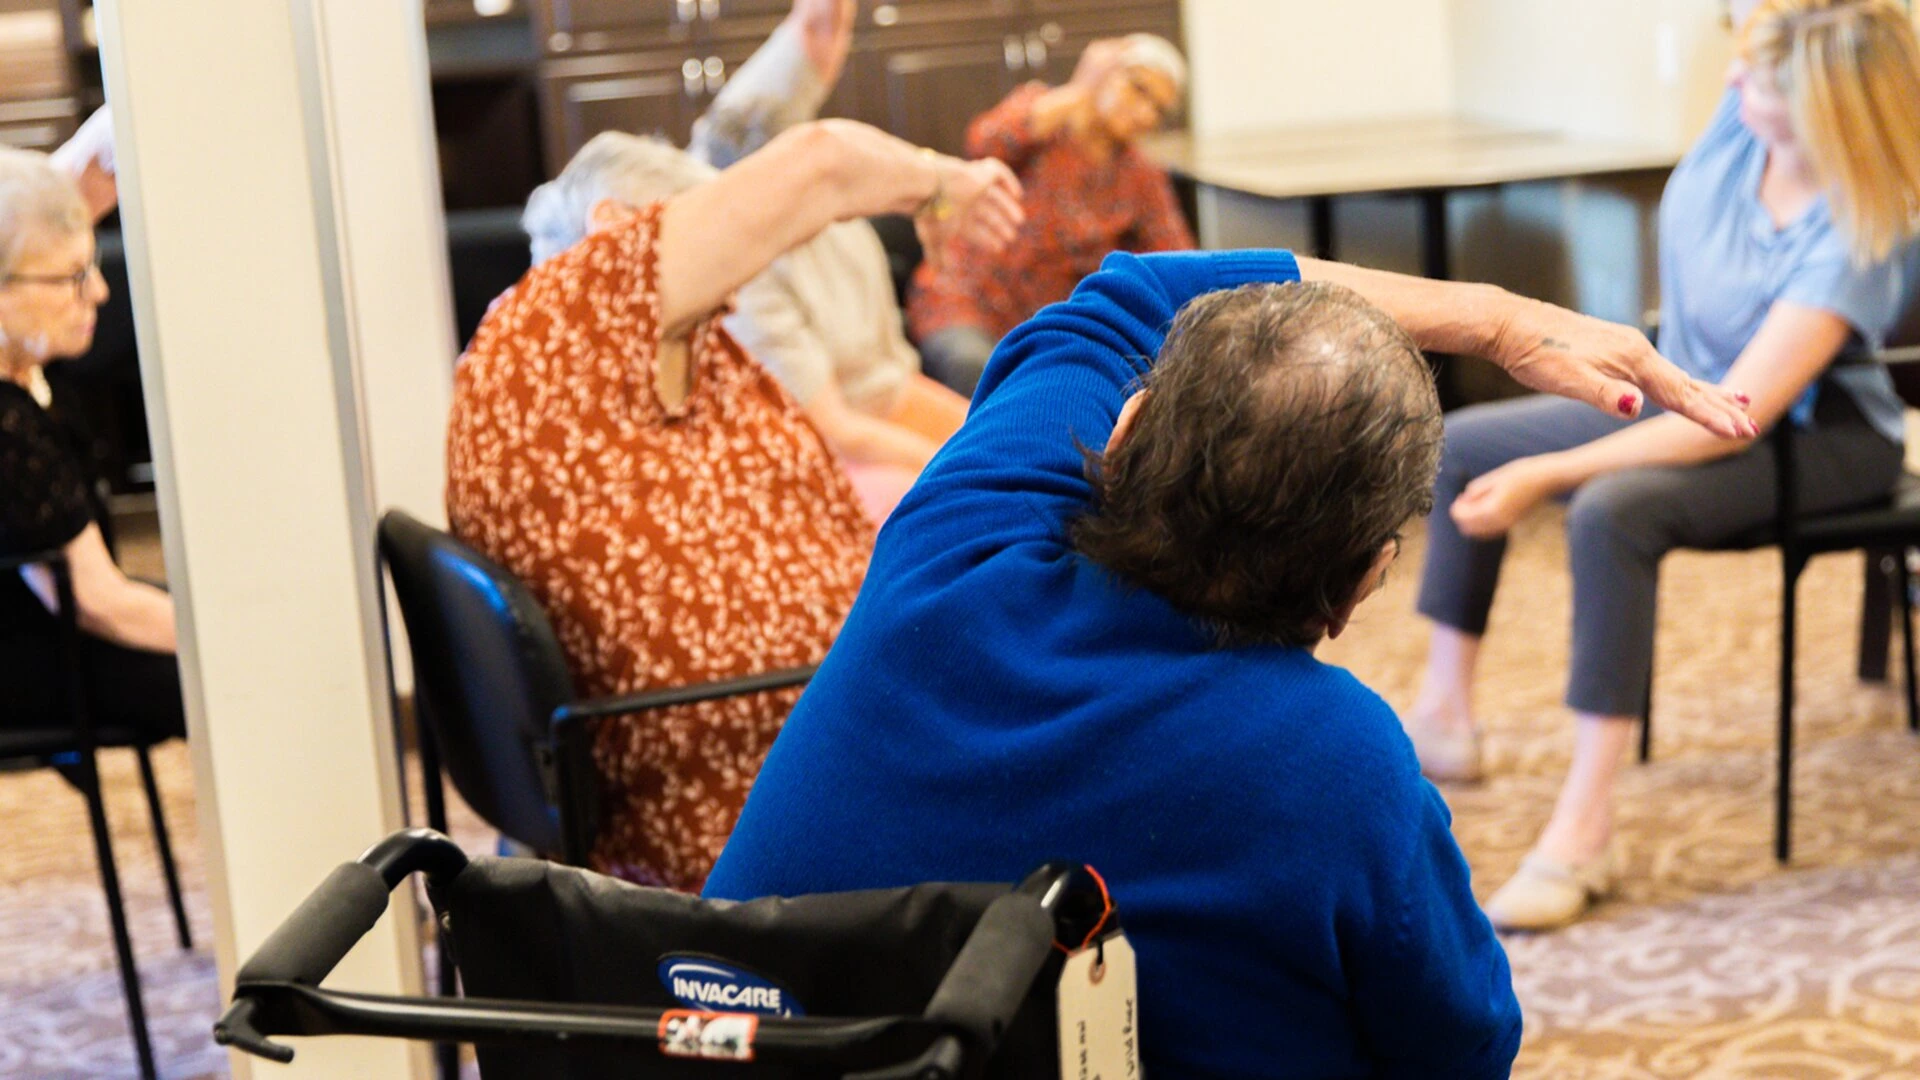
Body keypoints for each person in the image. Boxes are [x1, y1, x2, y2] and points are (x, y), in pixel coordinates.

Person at [703, 242, 1751, 1075]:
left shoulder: (955, 542)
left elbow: (1131, 294)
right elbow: (1467, 1047)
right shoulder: (1333, 758)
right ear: (1359, 587)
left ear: (1122, 433)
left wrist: (1496, 317)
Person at [1406, 0, 1920, 931]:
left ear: (1826, 111)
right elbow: (1755, 21)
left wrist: (1552, 477)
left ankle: (1585, 828)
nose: (1730, 82)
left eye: (1759, 81)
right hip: (1689, 385)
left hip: (1819, 440)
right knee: (1466, 442)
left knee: (1614, 511)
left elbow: (1736, 417)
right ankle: (1444, 715)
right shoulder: (1747, 123)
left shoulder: (1855, 234)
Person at [448, 117, 1023, 890]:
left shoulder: (672, 355)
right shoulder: (564, 327)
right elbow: (822, 161)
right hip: (743, 793)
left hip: (803, 740)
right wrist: (947, 183)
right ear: (614, 231)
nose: (742, 284)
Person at [684, 0, 973, 520]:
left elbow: (894, 378)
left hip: (888, 406)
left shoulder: (842, 226)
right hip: (825, 455)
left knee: (1021, 446)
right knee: (961, 510)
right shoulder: (746, 272)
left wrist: (989, 441)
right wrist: (960, 467)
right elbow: (835, 430)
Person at [0, 123, 183, 748]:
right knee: (249, 674)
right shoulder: (7, 426)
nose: (98, 292)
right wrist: (230, 644)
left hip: (54, 629)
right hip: (32, 660)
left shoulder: (26, 376)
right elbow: (98, 603)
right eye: (72, 277)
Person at [906, 33, 1196, 395]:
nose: (1144, 114)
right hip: (965, 302)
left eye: (1158, 109)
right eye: (1139, 90)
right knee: (977, 370)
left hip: (1046, 328)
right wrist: (1081, 89)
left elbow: (1175, 254)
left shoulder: (1140, 175)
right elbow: (984, 142)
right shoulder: (1041, 114)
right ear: (1106, 74)